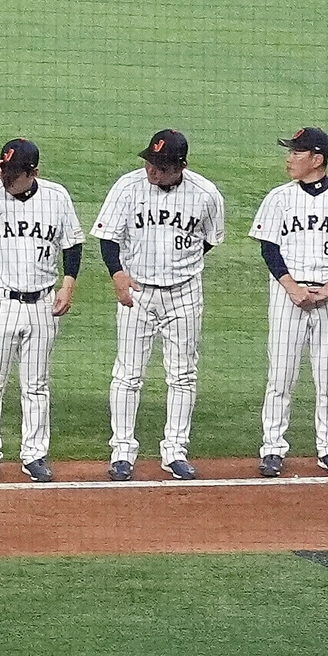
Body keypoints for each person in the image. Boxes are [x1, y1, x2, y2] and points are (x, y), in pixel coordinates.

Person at [98, 127, 226, 480]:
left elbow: (211, 239)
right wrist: (118, 274)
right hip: (138, 292)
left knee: (183, 373)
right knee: (127, 373)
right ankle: (122, 452)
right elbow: (108, 236)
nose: (152, 170)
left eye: (161, 165)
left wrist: (180, 264)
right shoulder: (128, 187)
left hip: (184, 293)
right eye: (150, 162)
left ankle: (175, 450)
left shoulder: (205, 194)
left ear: (179, 166)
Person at [0, 137, 80, 481]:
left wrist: (68, 284)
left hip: (41, 303)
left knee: (36, 384)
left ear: (34, 172)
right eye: (4, 170)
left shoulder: (57, 197)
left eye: (14, 173)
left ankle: (35, 454)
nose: (8, 179)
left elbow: (72, 243)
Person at [255, 122, 328, 477]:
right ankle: (273, 448)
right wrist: (291, 286)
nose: (289, 159)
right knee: (281, 375)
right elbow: (268, 248)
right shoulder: (278, 197)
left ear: (317, 159)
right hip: (288, 295)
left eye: (296, 152)